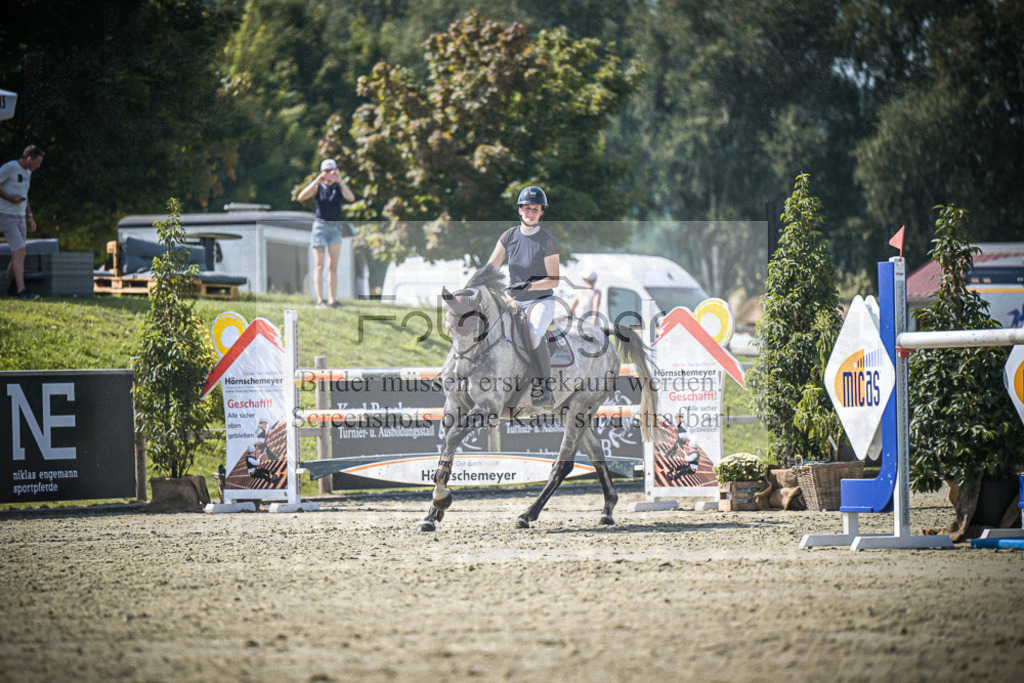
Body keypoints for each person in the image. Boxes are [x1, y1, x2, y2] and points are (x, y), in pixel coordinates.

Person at [486, 186, 559, 409]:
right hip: (514, 299)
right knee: (483, 323)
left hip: (541, 300)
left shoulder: (547, 241)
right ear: (520, 210)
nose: (531, 213)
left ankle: (544, 385)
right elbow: (492, 265)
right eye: (527, 208)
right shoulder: (508, 236)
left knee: (533, 333)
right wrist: (477, 283)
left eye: (535, 209)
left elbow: (554, 279)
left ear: (541, 213)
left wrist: (529, 285)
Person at [297, 158, 355, 308]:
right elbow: (301, 197)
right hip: (320, 228)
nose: (329, 174)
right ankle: (319, 300)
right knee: (319, 265)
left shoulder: (339, 187)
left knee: (332, 266)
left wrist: (340, 180)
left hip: (335, 229)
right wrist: (317, 180)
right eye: (326, 171)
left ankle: (332, 299)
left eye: (332, 171)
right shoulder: (318, 187)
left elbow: (351, 198)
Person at [0, 145, 45, 297]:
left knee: (19, 254)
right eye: (37, 163)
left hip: (20, 217)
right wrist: (9, 198)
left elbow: (25, 195)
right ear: (28, 159)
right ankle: (21, 290)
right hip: (6, 215)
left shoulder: (27, 173)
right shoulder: (10, 167)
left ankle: (7, 288)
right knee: (19, 250)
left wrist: (30, 216)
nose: (38, 167)